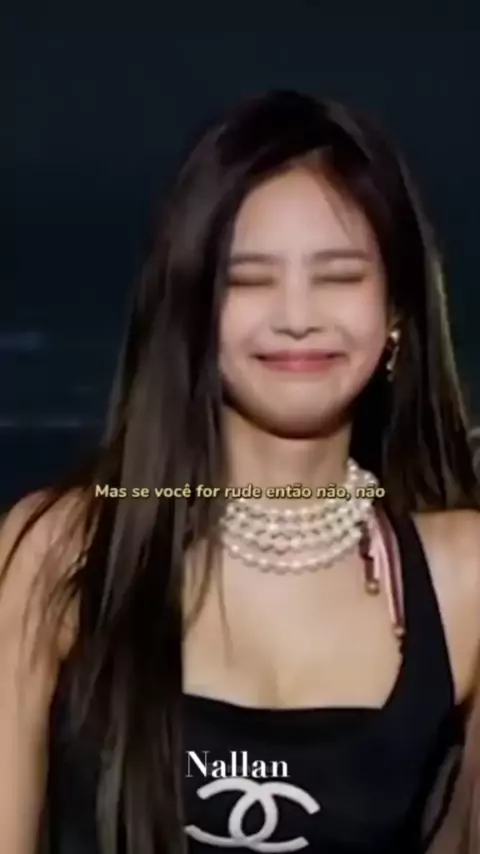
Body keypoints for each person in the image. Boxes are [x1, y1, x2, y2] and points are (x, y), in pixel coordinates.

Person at [1, 89, 480, 854]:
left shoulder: (463, 579)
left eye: (339, 276)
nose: (297, 315)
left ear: (397, 310)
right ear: (193, 308)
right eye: (249, 279)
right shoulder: (61, 551)